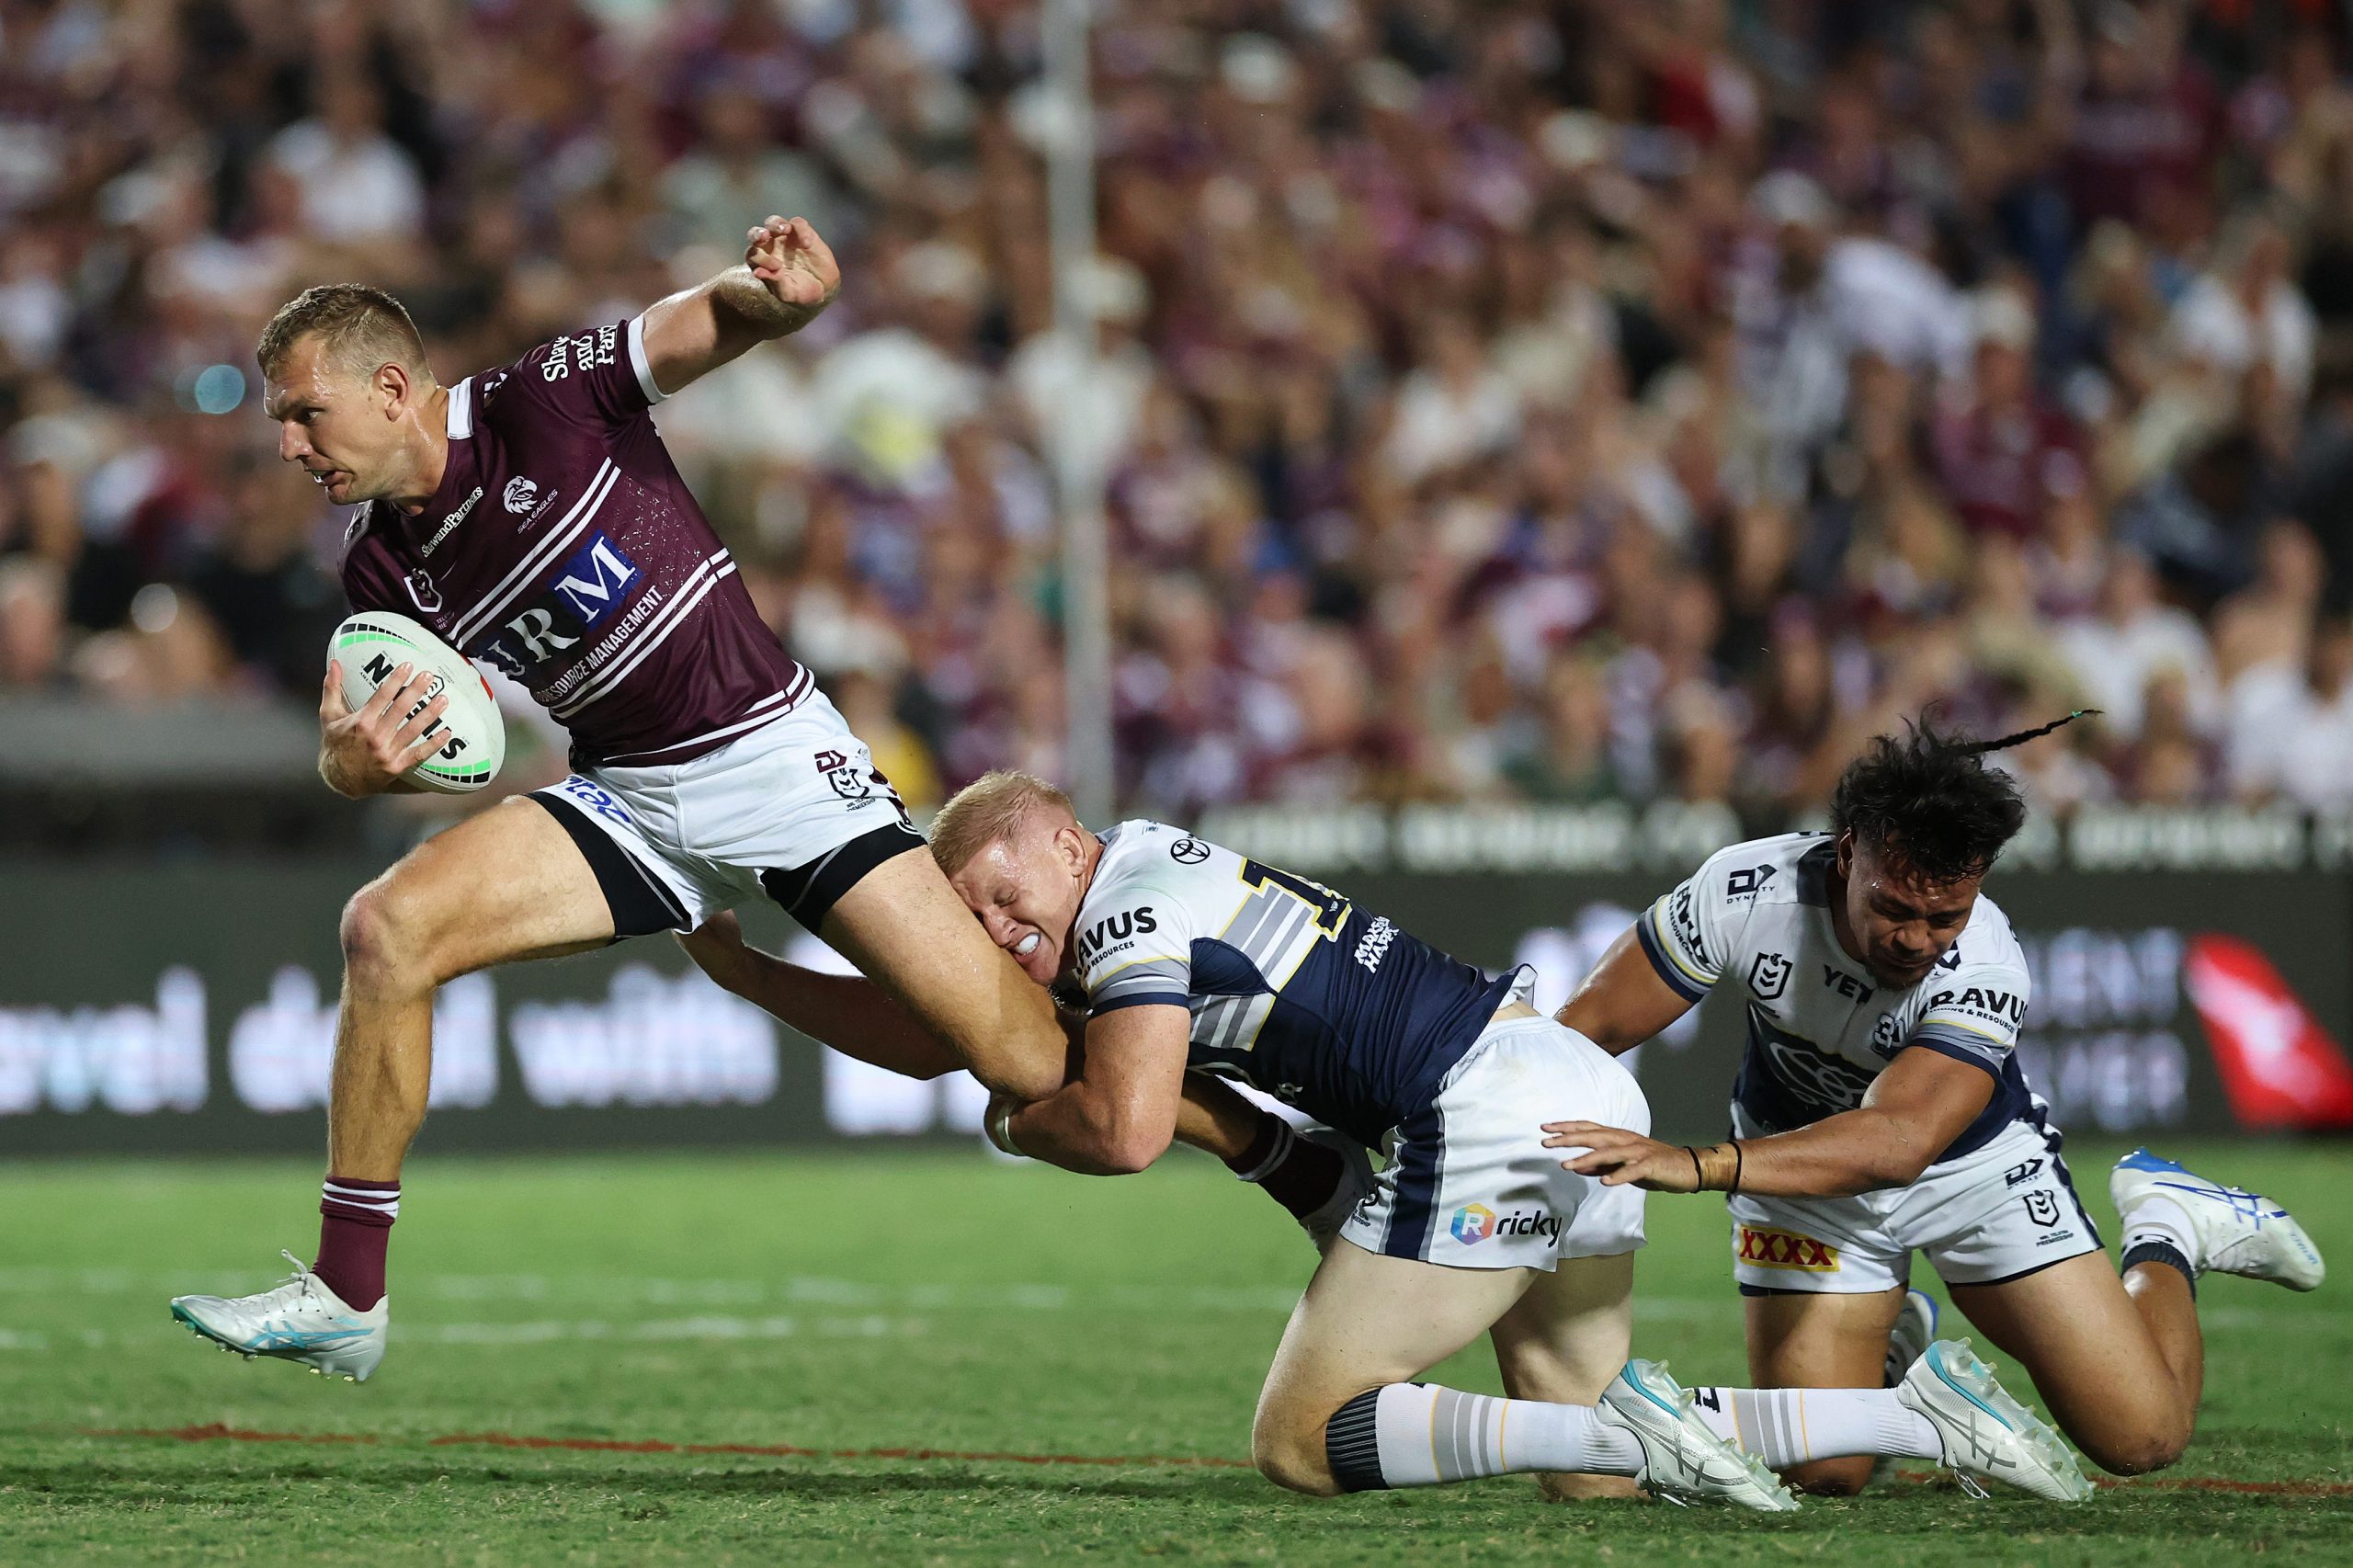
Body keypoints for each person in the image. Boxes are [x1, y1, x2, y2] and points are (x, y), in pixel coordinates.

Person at [167, 219, 1091, 1382]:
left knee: (1032, 1068)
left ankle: (1265, 1129)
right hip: (627, 802)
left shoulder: (538, 402)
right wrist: (357, 763)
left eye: (306, 413)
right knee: (384, 928)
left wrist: (781, 301)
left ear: (392, 386)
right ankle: (349, 1293)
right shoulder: (377, 570)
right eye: (279, 424)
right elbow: (350, 751)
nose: (293, 445)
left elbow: (701, 322)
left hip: (770, 764)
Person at [688, 770, 2096, 1507]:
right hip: (1553, 1088)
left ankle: (1682, 1421)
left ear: (1061, 839)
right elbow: (949, 1025)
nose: (996, 934)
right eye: (974, 921)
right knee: (1588, 1466)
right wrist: (762, 981)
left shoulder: (1123, 901)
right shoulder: (1136, 890)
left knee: (1302, 1442)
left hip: (1481, 1113)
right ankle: (1914, 1412)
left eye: (1000, 893)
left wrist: (1021, 1121)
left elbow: (1115, 1130)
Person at [1541, 715, 2325, 1494]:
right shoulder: (1745, 891)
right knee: (1823, 1471)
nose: (1917, 940)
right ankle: (1894, 1356)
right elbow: (1585, 1031)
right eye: (1895, 909)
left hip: (1972, 1176)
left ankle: (2166, 1227)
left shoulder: (1985, 965)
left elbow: (1899, 1141)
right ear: (1849, 852)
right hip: (1806, 1186)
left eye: (1943, 916)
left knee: (2143, 1437)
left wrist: (1700, 1166)